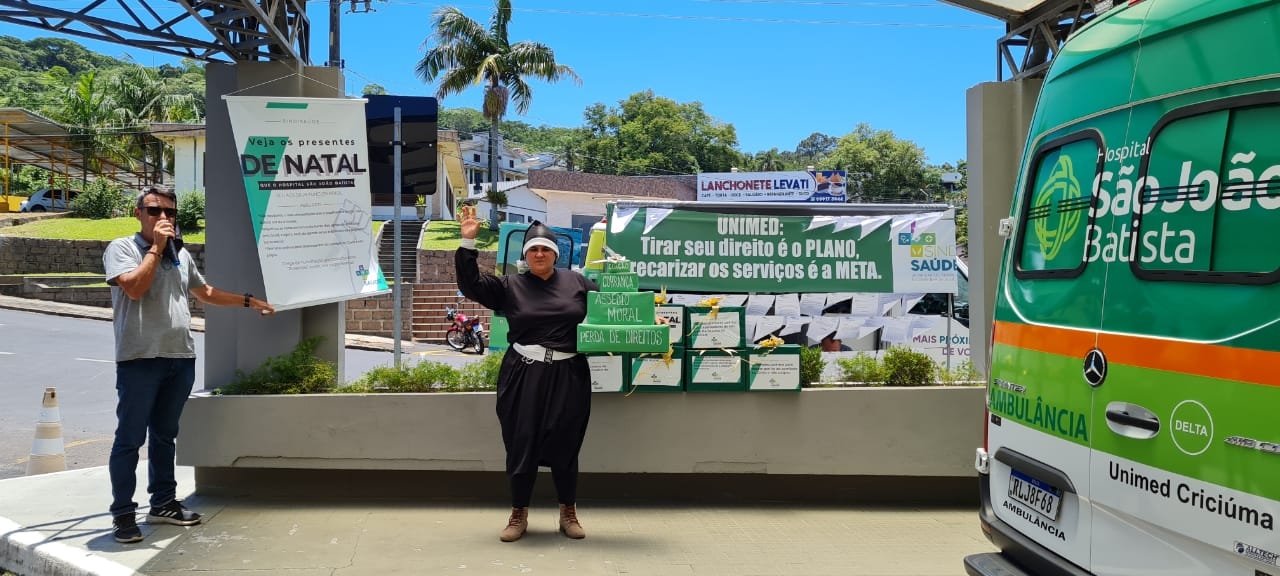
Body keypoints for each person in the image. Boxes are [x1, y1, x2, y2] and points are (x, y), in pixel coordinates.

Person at [104, 187, 275, 544]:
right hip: (139, 359)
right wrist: (156, 249)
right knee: (130, 439)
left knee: (165, 437)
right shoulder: (122, 248)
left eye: (169, 212)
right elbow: (133, 289)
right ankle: (122, 514)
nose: (163, 217)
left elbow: (205, 292)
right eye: (154, 210)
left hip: (179, 359)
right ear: (138, 213)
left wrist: (247, 300)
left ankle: (163, 503)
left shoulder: (179, 256)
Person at [455, 205, 597, 542]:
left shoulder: (577, 282)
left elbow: (615, 311)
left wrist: (652, 320)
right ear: (525, 254)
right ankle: (518, 513)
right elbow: (471, 284)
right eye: (533, 249)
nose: (539, 254)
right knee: (522, 442)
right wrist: (468, 242)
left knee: (566, 441)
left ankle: (568, 511)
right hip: (524, 373)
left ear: (555, 255)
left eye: (545, 249)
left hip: (569, 374)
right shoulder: (510, 286)